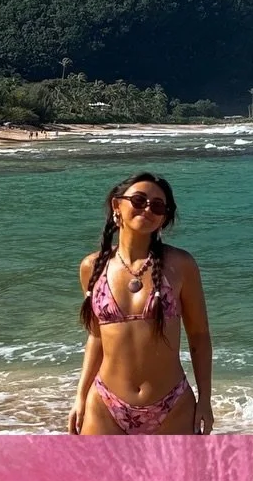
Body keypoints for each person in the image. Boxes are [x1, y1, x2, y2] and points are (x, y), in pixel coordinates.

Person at [70, 171, 213, 436]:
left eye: (158, 206)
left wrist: (205, 399)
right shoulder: (92, 267)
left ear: (164, 218)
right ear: (117, 205)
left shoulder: (180, 265)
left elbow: (199, 336)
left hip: (172, 405)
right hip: (105, 405)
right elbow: (97, 337)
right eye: (138, 200)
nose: (148, 209)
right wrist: (80, 396)